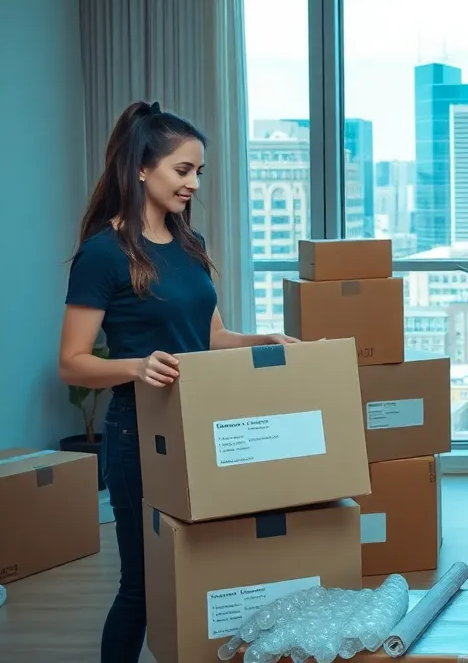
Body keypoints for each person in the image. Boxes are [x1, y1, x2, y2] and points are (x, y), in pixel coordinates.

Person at [57, 100, 296, 662]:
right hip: (139, 436)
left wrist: (262, 341)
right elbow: (71, 362)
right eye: (182, 170)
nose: (192, 183)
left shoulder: (192, 245)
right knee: (142, 586)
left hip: (204, 432)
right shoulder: (103, 255)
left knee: (209, 571)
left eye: (198, 173)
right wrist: (134, 367)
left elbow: (209, 337)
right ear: (142, 167)